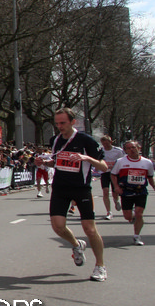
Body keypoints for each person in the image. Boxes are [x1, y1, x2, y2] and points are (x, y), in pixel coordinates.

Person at [35, 107, 109, 282]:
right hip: (60, 188)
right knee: (58, 226)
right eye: (57, 123)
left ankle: (100, 266)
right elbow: (56, 162)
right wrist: (44, 162)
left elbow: (104, 167)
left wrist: (86, 158)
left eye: (63, 123)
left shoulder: (86, 140)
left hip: (80, 188)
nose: (60, 126)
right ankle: (77, 244)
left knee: (89, 229)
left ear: (73, 122)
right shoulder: (55, 140)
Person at [109, 140, 154, 246]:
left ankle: (137, 236)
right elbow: (113, 175)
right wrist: (116, 187)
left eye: (133, 147)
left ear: (139, 148)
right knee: (127, 216)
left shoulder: (147, 162)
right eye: (128, 148)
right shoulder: (120, 161)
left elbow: (150, 177)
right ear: (125, 151)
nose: (131, 150)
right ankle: (132, 217)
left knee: (139, 213)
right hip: (126, 191)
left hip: (140, 191)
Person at [98, 135, 125, 220]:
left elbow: (123, 161)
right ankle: (109, 212)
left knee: (115, 192)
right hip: (105, 173)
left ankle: (116, 201)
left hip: (115, 173)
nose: (105, 146)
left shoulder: (118, 151)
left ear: (111, 142)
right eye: (103, 144)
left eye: (107, 144)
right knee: (105, 191)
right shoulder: (101, 151)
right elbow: (98, 160)